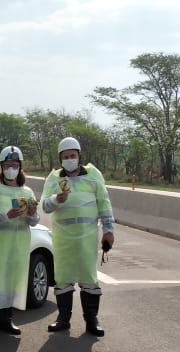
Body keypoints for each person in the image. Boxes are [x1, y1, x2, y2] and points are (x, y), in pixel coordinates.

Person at [40, 137, 115, 337]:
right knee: (63, 279)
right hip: (63, 239)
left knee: (89, 279)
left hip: (87, 238)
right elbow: (44, 206)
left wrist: (109, 230)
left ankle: (91, 320)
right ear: (60, 159)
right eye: (65, 157)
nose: (70, 159)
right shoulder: (54, 179)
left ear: (79, 155)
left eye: (73, 155)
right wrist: (57, 199)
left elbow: (104, 203)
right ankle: (63, 319)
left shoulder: (93, 175)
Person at [0, 145, 39, 336]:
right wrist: (7, 215)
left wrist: (31, 214)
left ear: (20, 167)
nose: (10, 168)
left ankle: (7, 319)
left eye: (14, 165)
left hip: (18, 246)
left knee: (12, 280)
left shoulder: (27, 192)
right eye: (7, 165)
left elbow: (35, 221)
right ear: (1, 167)